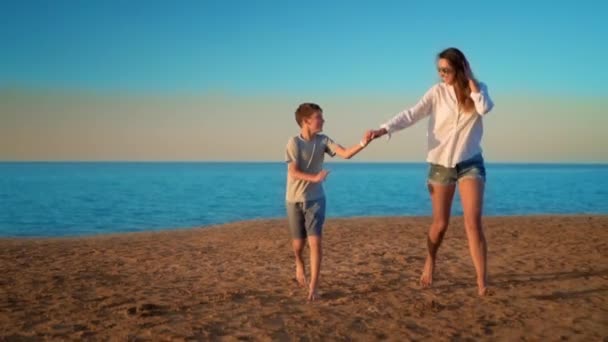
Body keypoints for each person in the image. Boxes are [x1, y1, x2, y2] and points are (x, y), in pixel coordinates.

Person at [368, 47, 494, 296]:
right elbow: (411, 114)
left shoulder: (478, 89)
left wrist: (471, 83)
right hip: (440, 164)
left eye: (446, 70)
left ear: (460, 68)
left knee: (473, 221)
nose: (441, 75)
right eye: (439, 70)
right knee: (440, 224)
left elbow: (485, 109)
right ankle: (430, 260)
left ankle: (482, 281)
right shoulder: (436, 93)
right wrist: (383, 129)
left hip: (470, 162)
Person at [285, 102, 371, 301]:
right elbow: (293, 172)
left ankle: (313, 287)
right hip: (294, 199)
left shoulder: (323, 140)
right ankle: (299, 262)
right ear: (306, 121)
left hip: (315, 199)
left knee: (315, 243)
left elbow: (346, 153)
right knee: (298, 244)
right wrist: (314, 178)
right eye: (319, 117)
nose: (323, 120)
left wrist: (364, 142)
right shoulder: (294, 143)